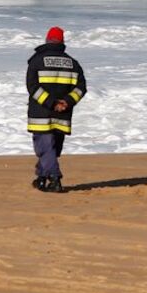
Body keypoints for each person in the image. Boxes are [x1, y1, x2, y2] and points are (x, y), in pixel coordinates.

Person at [26, 26, 87, 193]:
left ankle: (54, 178)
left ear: (47, 40)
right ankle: (41, 178)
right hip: (63, 114)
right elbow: (81, 88)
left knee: (45, 148)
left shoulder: (37, 60)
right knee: (52, 148)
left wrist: (52, 103)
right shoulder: (73, 63)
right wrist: (66, 102)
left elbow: (32, 87)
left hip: (42, 113)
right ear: (62, 42)